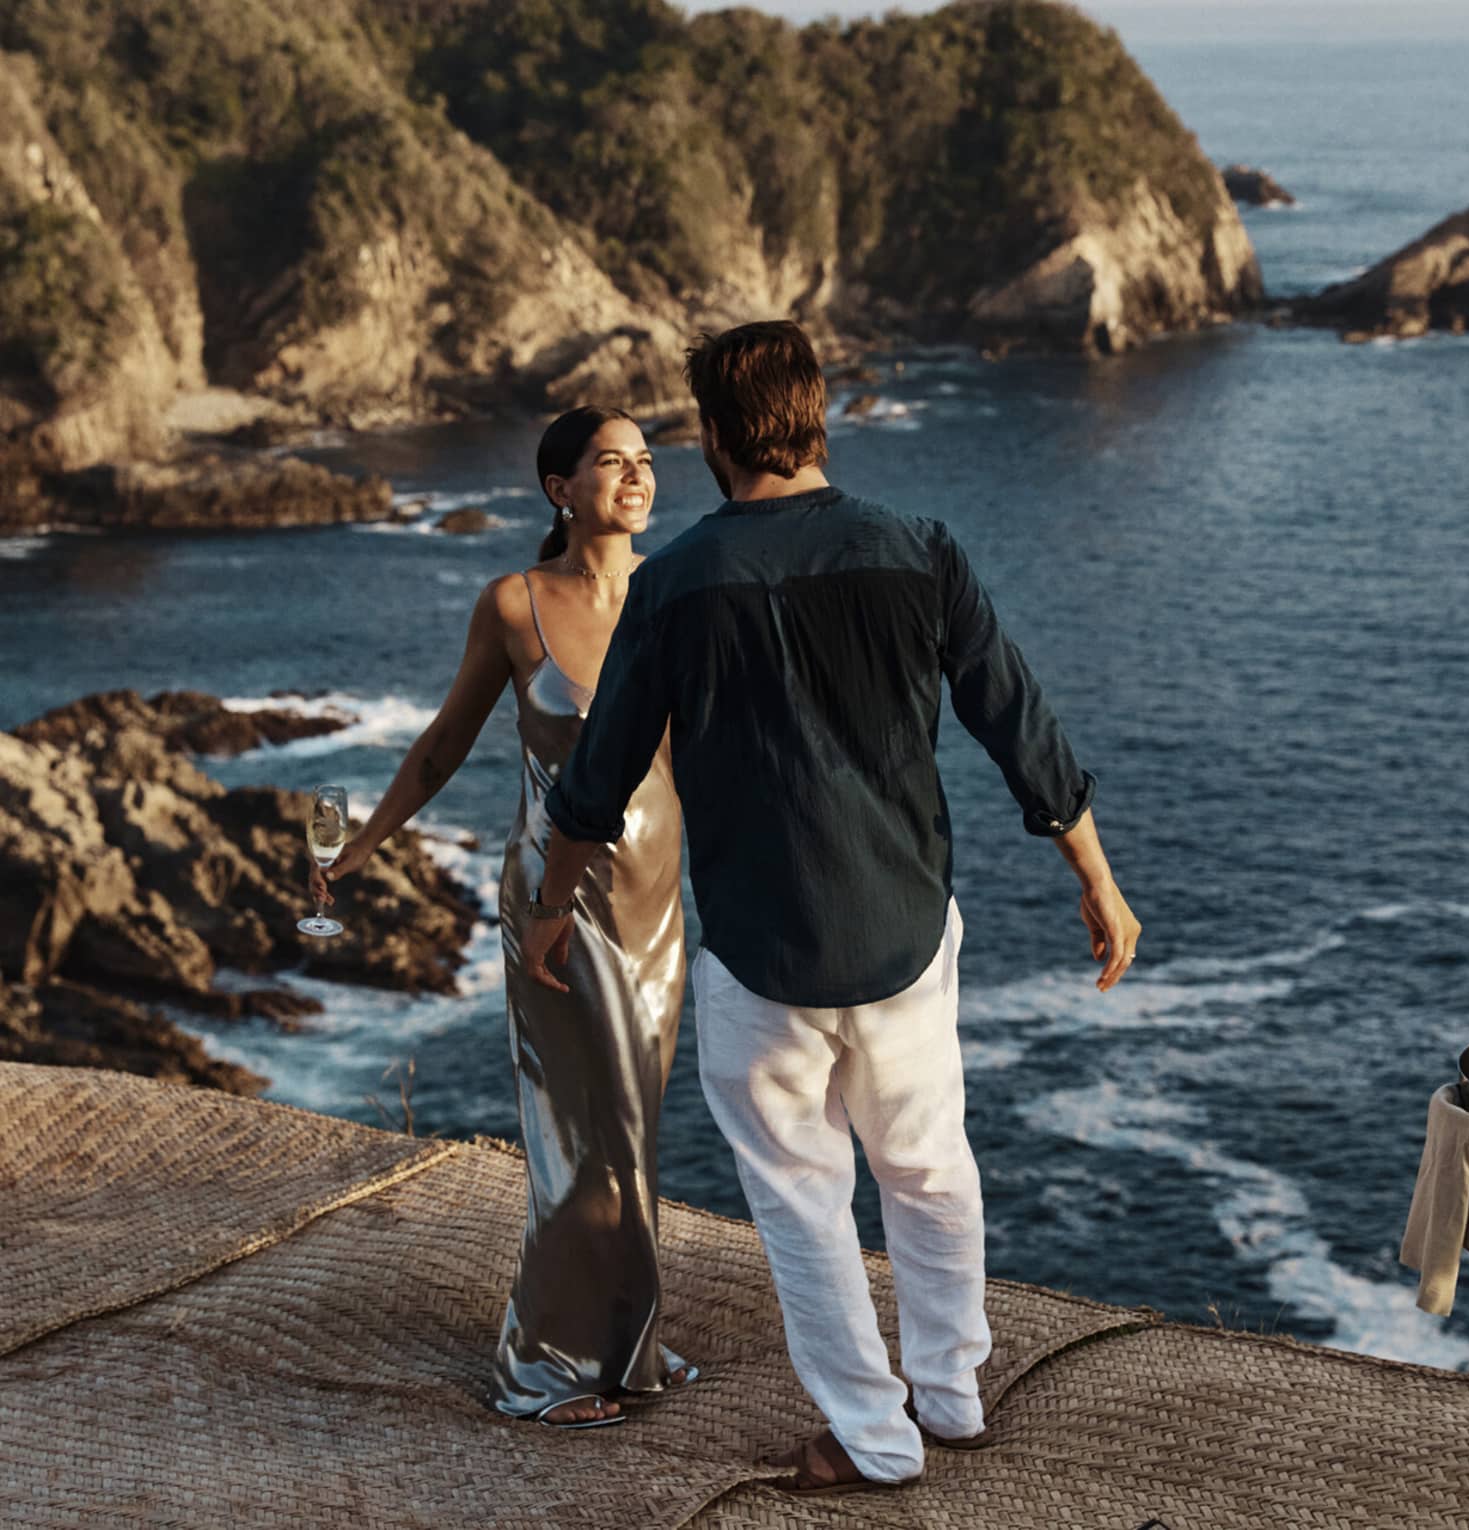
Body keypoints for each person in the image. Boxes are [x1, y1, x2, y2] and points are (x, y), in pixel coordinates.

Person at [520, 321, 1142, 1492]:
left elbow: (597, 779)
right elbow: (1017, 721)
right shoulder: (921, 550)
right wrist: (1096, 877)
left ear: (714, 434)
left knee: (804, 1202)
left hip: (762, 952)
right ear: (817, 418)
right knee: (930, 1166)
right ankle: (951, 1396)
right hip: (903, 932)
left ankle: (873, 1439)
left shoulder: (673, 583)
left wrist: (552, 908)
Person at [312, 406, 694, 1429]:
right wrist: (364, 845)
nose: (635, 477)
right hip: (555, 904)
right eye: (610, 462)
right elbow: (443, 744)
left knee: (633, 1130)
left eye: (645, 461)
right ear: (560, 489)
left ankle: (627, 1342)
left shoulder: (680, 589)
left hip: (658, 905)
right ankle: (546, 1365)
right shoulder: (514, 604)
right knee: (575, 1132)